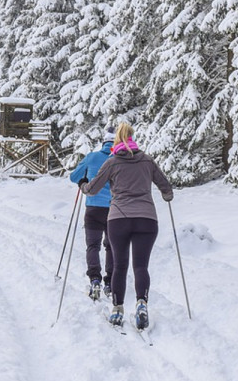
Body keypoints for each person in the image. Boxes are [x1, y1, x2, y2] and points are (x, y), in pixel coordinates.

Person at [79, 121, 173, 330]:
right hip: (147, 219)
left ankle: (117, 309)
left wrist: (83, 186)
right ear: (132, 138)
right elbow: (166, 187)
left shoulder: (112, 163)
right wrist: (167, 195)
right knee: (141, 266)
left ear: (117, 141)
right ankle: (141, 303)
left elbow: (93, 188)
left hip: (119, 219)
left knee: (120, 266)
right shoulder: (147, 161)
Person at [69, 126, 115, 300]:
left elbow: (74, 177)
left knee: (93, 246)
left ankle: (95, 279)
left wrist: (84, 180)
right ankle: (110, 282)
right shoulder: (119, 159)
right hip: (114, 210)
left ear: (103, 142)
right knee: (111, 246)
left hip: (93, 208)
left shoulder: (92, 157)